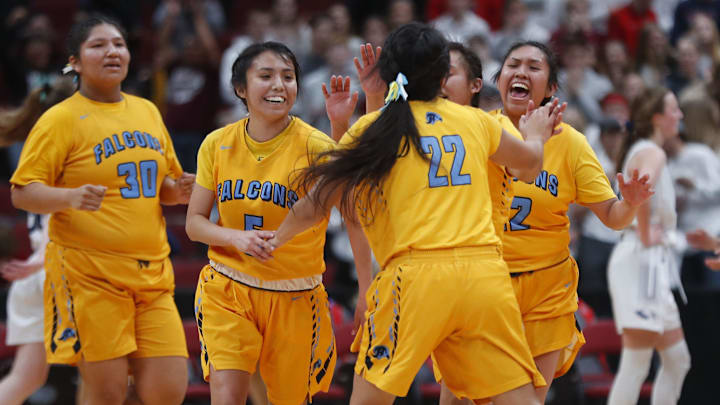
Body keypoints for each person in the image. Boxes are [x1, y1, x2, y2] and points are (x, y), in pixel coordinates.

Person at [262, 22, 568, 405]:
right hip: (484, 277)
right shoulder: (476, 122)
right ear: (443, 75)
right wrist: (537, 132)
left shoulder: (376, 128)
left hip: (415, 278)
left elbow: (317, 202)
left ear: (388, 75)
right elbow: (531, 161)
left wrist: (275, 239)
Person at [440, 40, 653, 405]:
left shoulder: (571, 144)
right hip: (483, 283)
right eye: (513, 65)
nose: (521, 72)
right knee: (460, 399)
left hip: (546, 291)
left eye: (534, 67)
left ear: (551, 89)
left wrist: (630, 204)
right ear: (499, 77)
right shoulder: (475, 128)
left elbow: (614, 217)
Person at [9, 14, 194, 405]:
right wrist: (68, 197)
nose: (112, 51)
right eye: (98, 45)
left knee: (167, 390)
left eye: (119, 44)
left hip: (152, 275)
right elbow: (23, 193)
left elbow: (161, 184)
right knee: (106, 393)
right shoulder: (59, 120)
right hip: (89, 275)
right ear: (74, 62)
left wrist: (177, 192)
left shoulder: (147, 111)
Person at [185, 40, 371, 405]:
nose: (278, 85)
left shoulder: (315, 145)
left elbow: (353, 212)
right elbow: (194, 224)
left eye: (288, 77)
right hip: (228, 287)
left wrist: (366, 289)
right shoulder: (217, 143)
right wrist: (236, 239)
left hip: (294, 294)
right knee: (227, 393)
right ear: (240, 88)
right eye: (265, 76)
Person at [607, 87, 692, 405]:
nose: (680, 115)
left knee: (677, 360)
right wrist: (645, 234)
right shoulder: (653, 152)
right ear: (658, 118)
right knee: (636, 363)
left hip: (648, 265)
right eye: (674, 109)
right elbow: (641, 189)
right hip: (639, 261)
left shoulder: (645, 148)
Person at [0, 78, 74, 405]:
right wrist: (40, 260)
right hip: (58, 271)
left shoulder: (36, 149)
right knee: (111, 369)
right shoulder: (67, 150)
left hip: (37, 275)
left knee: (25, 378)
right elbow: (55, 219)